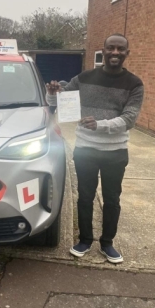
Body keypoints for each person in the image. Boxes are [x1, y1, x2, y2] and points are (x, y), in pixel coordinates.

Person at [45, 33, 144, 264]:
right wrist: (52, 93)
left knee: (112, 198)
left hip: (116, 152)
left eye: (120, 49)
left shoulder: (134, 84)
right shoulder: (83, 78)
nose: (115, 53)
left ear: (127, 53)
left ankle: (107, 243)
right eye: (111, 48)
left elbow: (129, 118)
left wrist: (100, 125)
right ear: (104, 50)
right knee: (85, 196)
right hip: (86, 149)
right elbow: (61, 103)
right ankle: (85, 240)